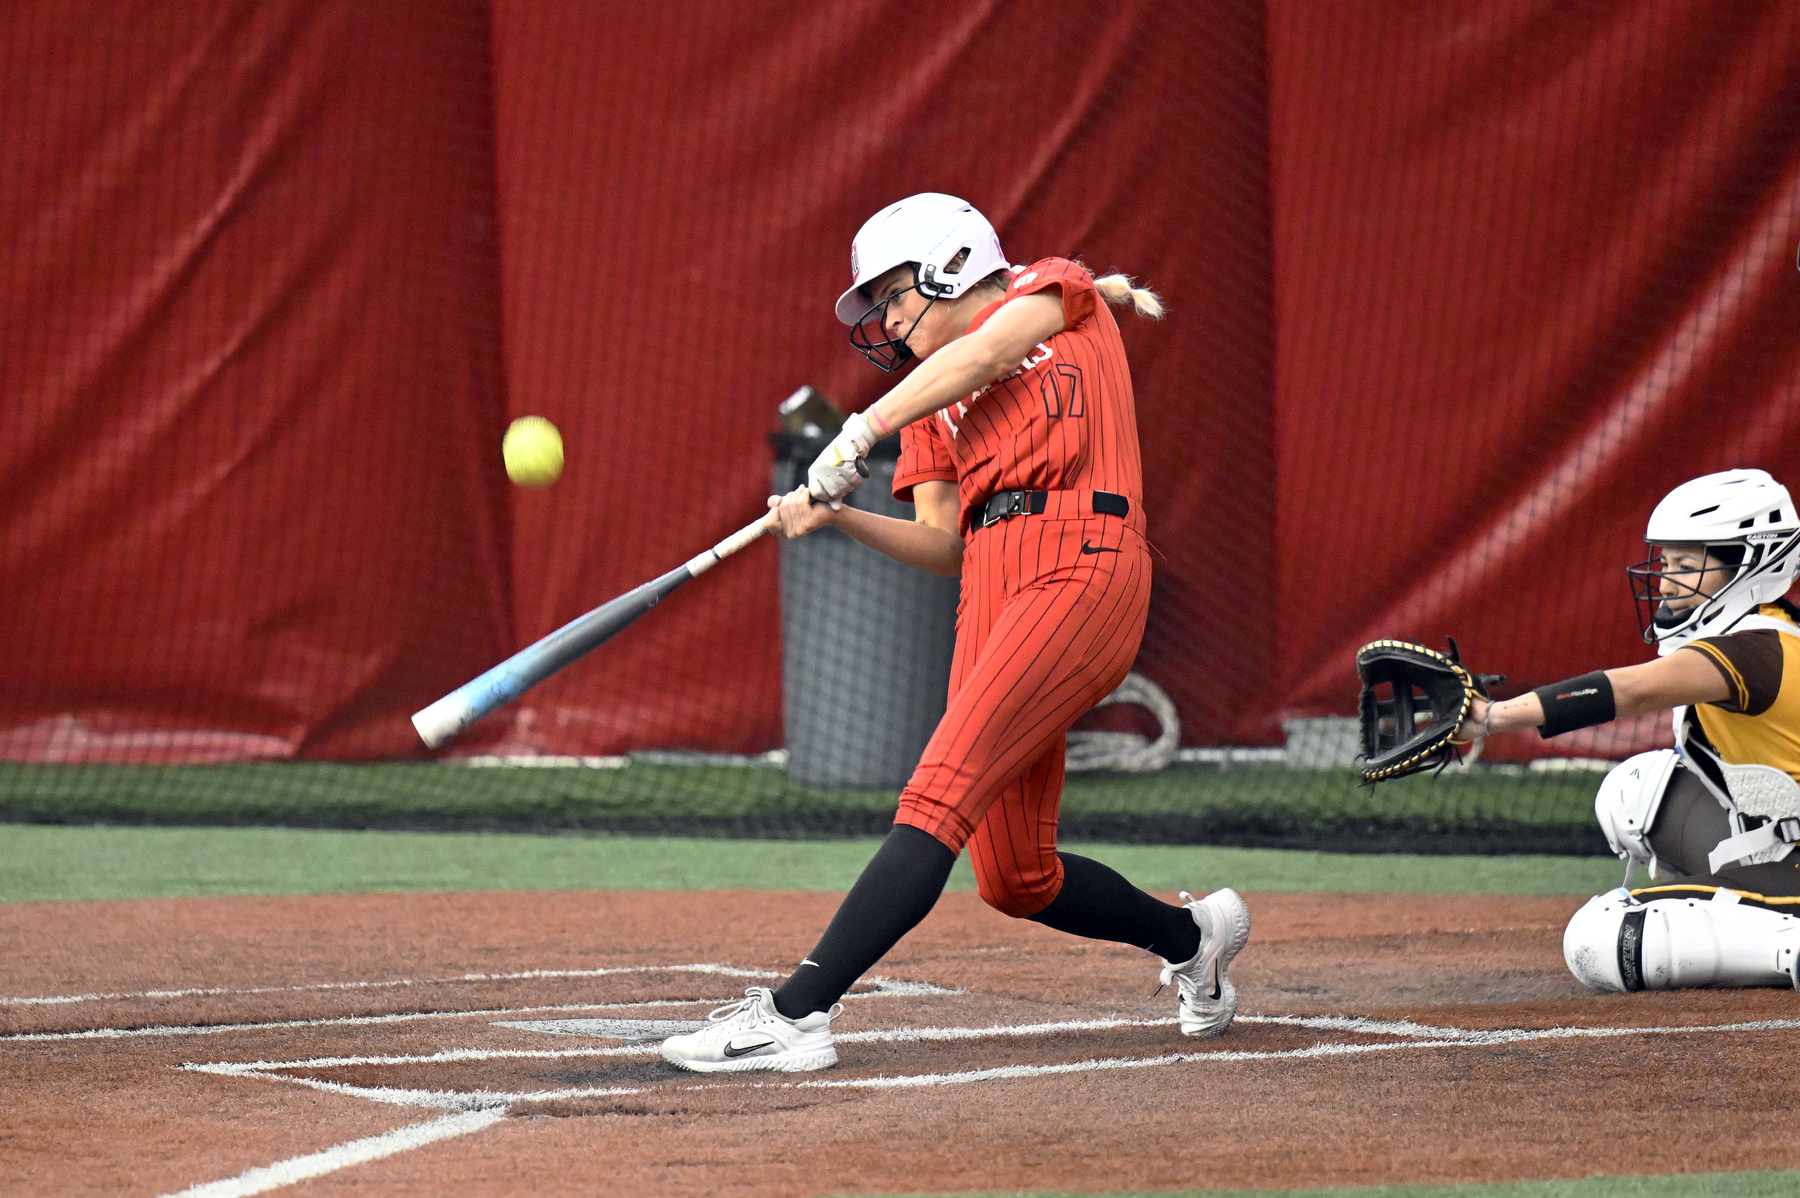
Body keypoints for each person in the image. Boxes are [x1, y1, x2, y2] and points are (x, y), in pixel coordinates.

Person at [660, 192, 1250, 1073]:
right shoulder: (930, 408)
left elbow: (986, 350)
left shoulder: (1052, 294)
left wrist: (863, 425)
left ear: (950, 264)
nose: (888, 320)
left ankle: (795, 1016)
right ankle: (1193, 937)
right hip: (990, 589)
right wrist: (840, 517)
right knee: (1013, 875)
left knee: (936, 791)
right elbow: (943, 545)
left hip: (1082, 562)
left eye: (894, 294)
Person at [1455, 468, 1800, 991]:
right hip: (1777, 840)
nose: (1665, 581)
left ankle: (1784, 943)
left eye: (1687, 564)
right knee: (1635, 791)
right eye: (1667, 562)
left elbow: (1631, 690)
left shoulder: (1754, 647)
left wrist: (1494, 718)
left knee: (1603, 942)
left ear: (1751, 565)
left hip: (1790, 856)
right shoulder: (1766, 628)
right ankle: (1733, 912)